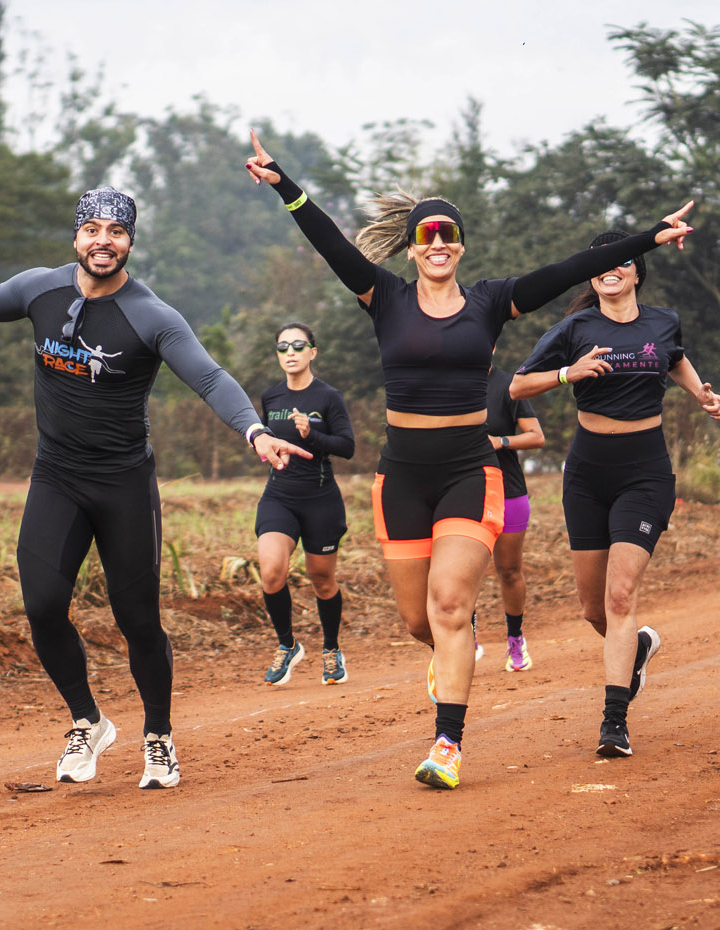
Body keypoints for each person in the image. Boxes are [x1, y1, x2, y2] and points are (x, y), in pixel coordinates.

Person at [0, 187, 308, 789]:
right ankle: (88, 721)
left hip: (124, 484)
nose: (104, 241)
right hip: (57, 476)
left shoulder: (152, 316)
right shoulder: (39, 290)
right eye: (92, 229)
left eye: (116, 231)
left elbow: (209, 377)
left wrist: (255, 430)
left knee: (137, 620)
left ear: (130, 242)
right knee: (43, 607)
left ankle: (158, 737)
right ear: (76, 238)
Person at [246, 130, 694, 788]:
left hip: (467, 471)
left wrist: (648, 237)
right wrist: (284, 184)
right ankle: (454, 646)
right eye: (426, 235)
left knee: (450, 605)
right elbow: (329, 242)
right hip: (402, 477)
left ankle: (448, 744)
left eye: (448, 234)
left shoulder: (489, 301)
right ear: (412, 246)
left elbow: (569, 269)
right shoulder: (384, 296)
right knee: (418, 620)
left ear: (459, 245)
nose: (437, 243)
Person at [511, 230, 720, 759]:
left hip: (645, 472)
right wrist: (569, 373)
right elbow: (517, 385)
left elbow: (675, 358)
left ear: (636, 272)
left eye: (622, 261)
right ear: (592, 275)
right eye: (601, 262)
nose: (611, 269)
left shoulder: (663, 321)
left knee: (620, 596)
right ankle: (639, 646)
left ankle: (614, 722)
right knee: (593, 609)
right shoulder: (574, 328)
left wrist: (700, 394)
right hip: (587, 474)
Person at [256, 322, 356, 686]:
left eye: (298, 345)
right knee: (271, 572)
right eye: (283, 347)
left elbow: (347, 446)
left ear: (312, 352)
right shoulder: (271, 397)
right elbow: (264, 440)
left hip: (320, 500)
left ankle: (331, 649)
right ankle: (288, 644)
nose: (290, 352)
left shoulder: (328, 397)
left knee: (322, 580)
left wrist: (311, 434)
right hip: (279, 497)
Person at [482, 362, 545, 671]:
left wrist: (501, 441)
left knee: (508, 570)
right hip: (462, 493)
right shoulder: (449, 384)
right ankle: (464, 639)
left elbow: (536, 436)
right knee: (463, 573)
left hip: (508, 490)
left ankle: (515, 638)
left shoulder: (509, 386)